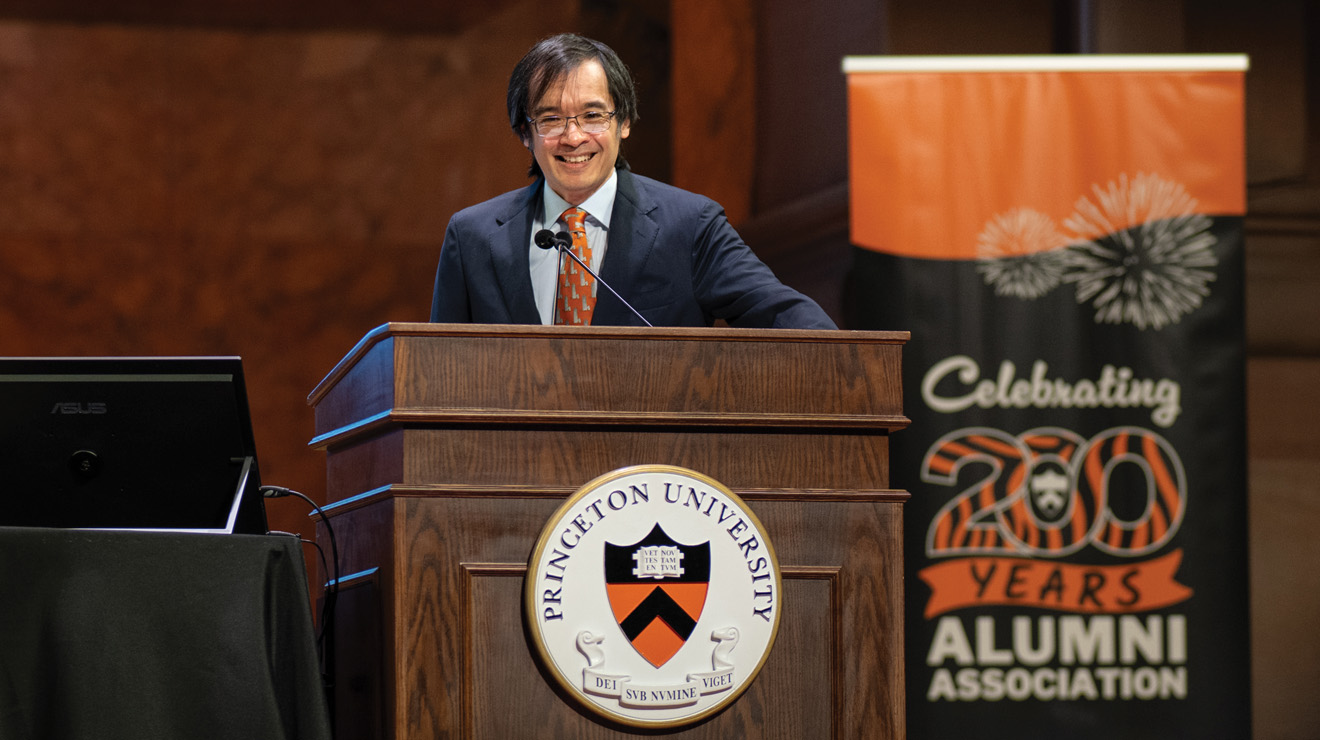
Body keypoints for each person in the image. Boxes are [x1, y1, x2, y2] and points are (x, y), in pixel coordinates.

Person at [429, 33, 836, 329]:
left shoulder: (691, 226)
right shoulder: (472, 238)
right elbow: (439, 377)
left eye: (592, 116)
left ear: (623, 122)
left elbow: (783, 315)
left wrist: (851, 364)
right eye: (551, 119)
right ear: (524, 132)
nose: (573, 137)